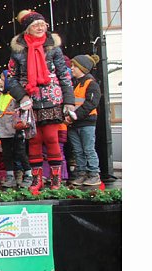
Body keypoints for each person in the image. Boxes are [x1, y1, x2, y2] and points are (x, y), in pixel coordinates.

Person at [7, 10, 75, 191]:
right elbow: (11, 79)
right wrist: (22, 96)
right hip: (29, 102)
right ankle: (37, 180)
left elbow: (64, 75)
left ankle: (55, 180)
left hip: (52, 100)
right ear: (28, 29)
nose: (39, 28)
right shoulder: (18, 51)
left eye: (42, 25)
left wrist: (69, 102)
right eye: (35, 25)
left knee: (52, 138)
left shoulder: (53, 48)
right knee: (34, 141)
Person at [66, 54, 102, 186]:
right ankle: (81, 173)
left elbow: (90, 104)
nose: (72, 68)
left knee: (88, 149)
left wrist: (74, 115)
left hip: (86, 122)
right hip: (74, 124)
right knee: (77, 150)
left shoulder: (91, 84)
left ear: (83, 68)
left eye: (74, 66)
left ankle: (94, 173)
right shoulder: (75, 84)